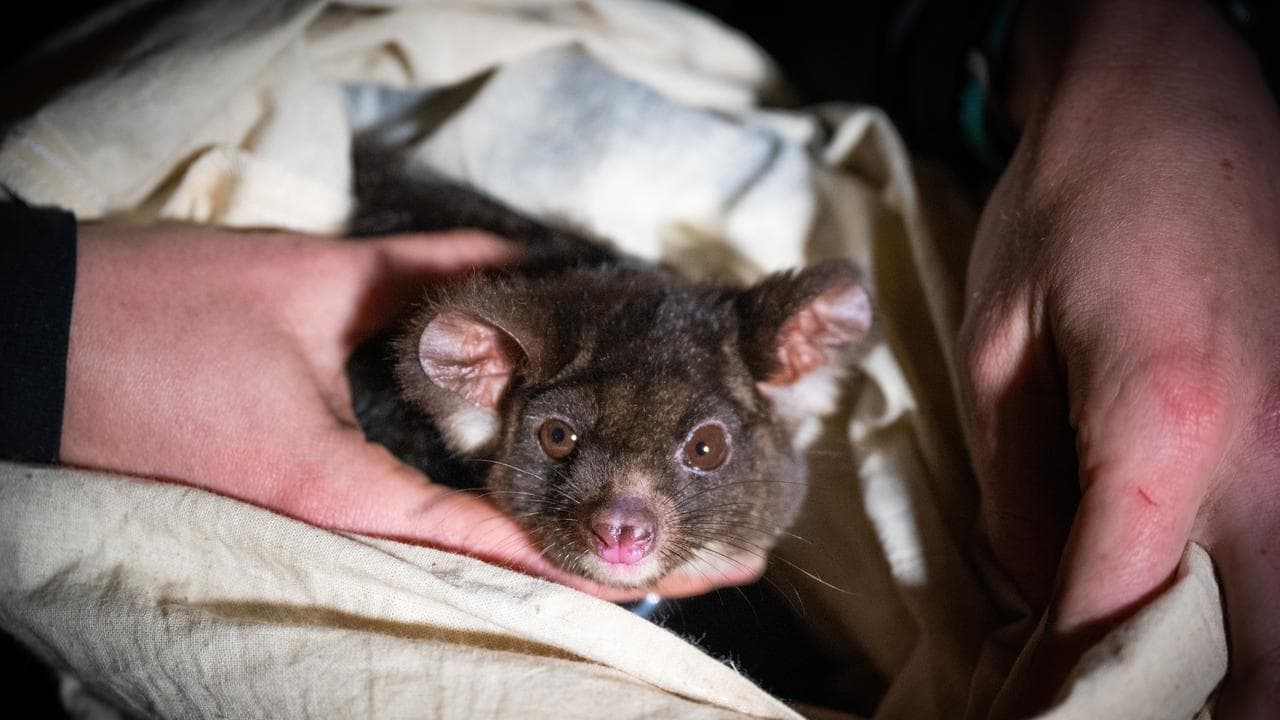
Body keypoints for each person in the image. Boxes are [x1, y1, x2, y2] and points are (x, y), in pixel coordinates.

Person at [2, 0, 1276, 716]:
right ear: (491, 389)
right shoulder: (475, 365)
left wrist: (1142, 36)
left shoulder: (755, 377)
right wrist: (54, 326)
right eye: (565, 439)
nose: (623, 511)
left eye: (698, 448)